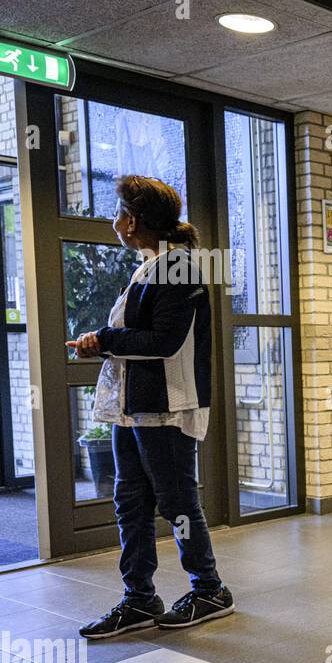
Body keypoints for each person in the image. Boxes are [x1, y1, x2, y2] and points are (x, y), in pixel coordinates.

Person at [71, 176, 233, 638]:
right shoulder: (152, 265)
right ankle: (139, 598)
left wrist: (103, 340)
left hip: (167, 408)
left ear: (134, 219)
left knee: (178, 501)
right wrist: (103, 343)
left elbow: (164, 340)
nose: (114, 221)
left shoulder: (180, 267)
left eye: (118, 211)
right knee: (131, 502)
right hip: (133, 407)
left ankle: (210, 589)